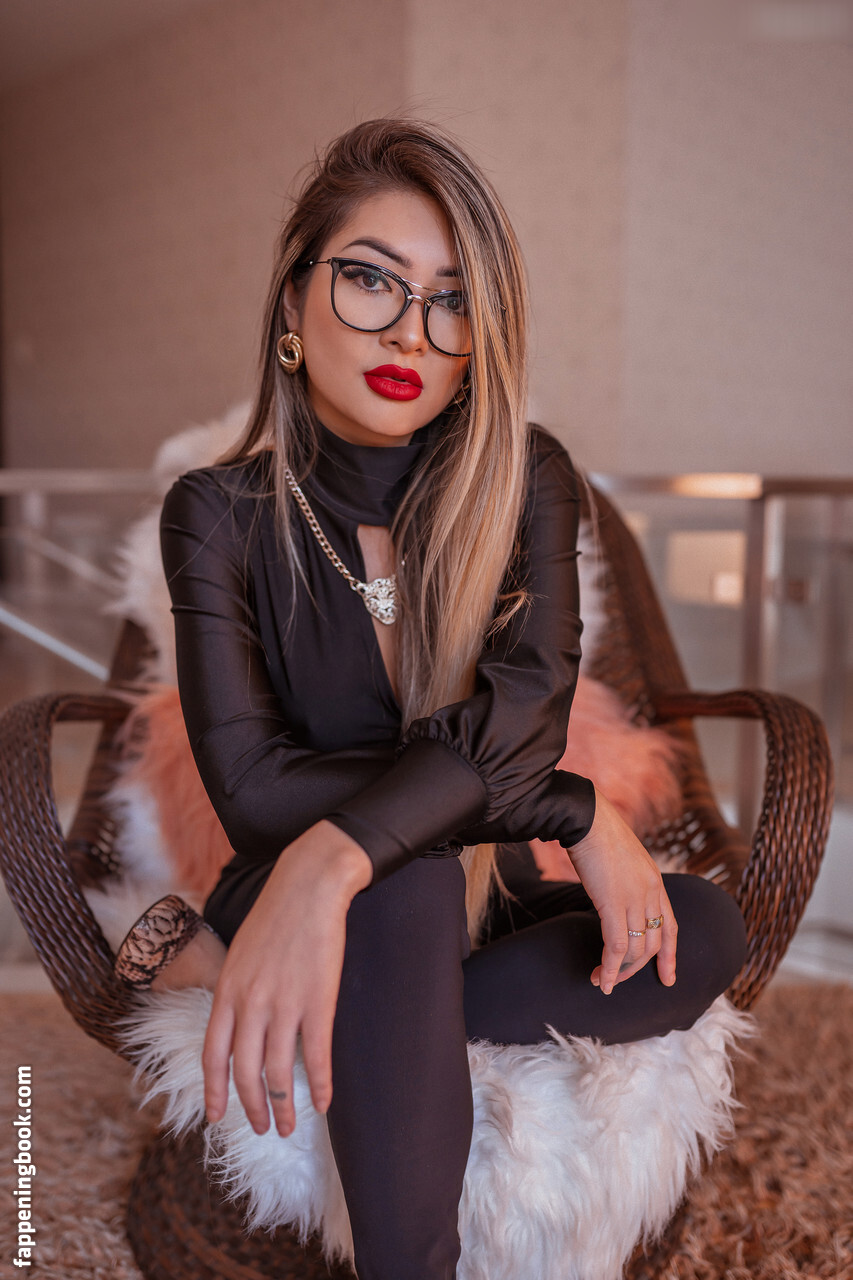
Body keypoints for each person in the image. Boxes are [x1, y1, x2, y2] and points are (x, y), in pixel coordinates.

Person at [114, 118, 747, 1280]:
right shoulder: (218, 511)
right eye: (370, 280)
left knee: (697, 929)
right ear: (294, 299)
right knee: (396, 881)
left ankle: (309, 996)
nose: (410, 329)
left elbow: (526, 716)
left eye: (451, 299)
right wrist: (562, 810)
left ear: (478, 337)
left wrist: (355, 843)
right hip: (310, 892)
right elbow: (252, 787)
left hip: (480, 891)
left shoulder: (526, 478)